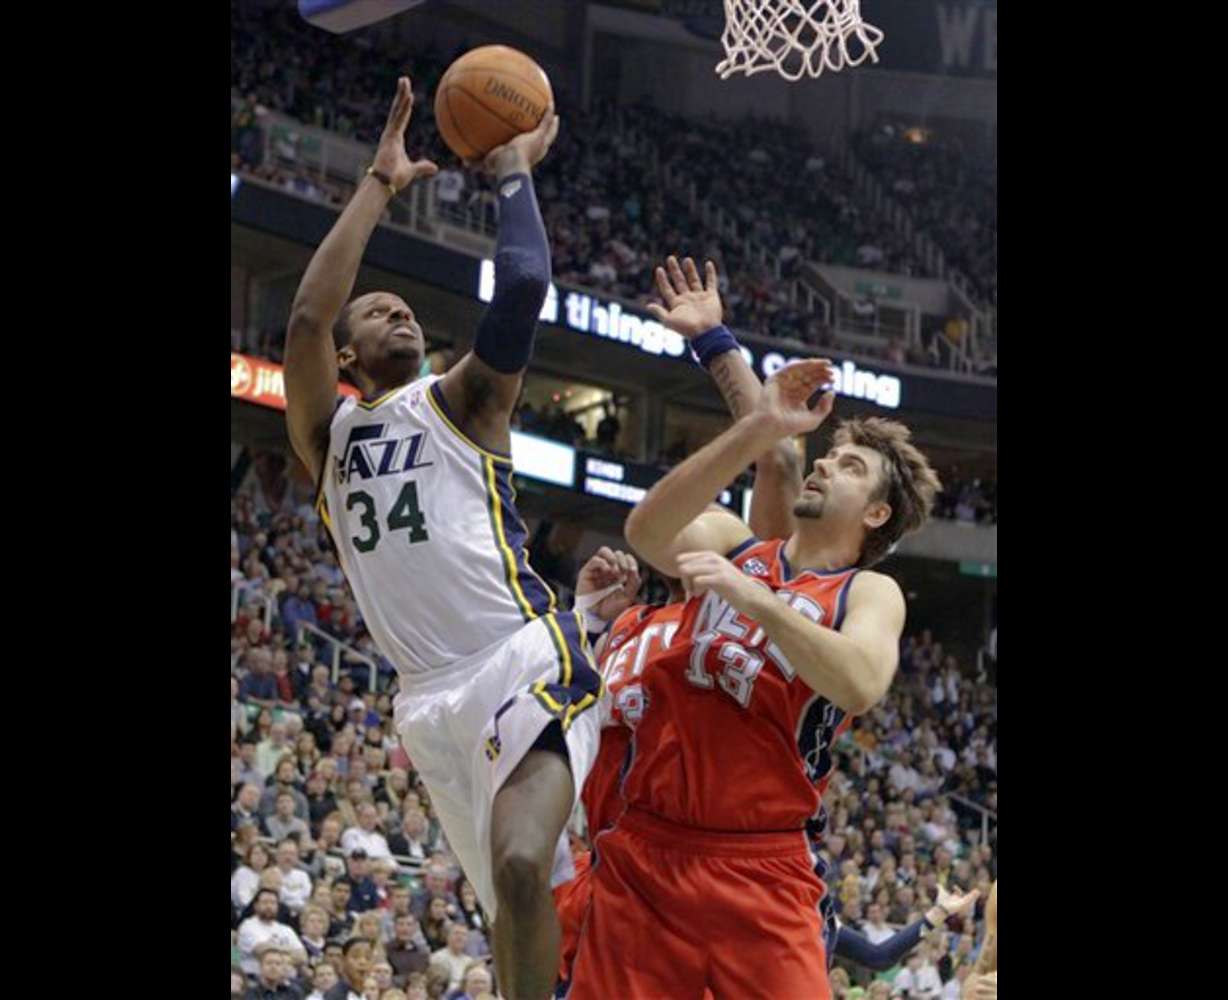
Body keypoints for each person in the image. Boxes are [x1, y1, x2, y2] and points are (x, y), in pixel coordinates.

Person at [568, 256, 941, 999]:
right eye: (830, 456)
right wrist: (724, 359)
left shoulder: (867, 590)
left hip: (762, 867)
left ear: (876, 514)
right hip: (646, 852)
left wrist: (755, 599)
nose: (830, 465)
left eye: (853, 466)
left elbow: (862, 680)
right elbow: (650, 530)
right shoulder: (734, 542)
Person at [284, 76, 583, 1000]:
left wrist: (512, 172)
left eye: (405, 309)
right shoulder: (328, 440)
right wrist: (378, 183)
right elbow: (303, 317)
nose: (398, 312)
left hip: (518, 651)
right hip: (428, 705)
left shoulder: (462, 399)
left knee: (527, 868)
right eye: (376, 312)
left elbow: (525, 283)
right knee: (525, 912)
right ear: (345, 356)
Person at [238, 889, 309, 976]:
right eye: (265, 902)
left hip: (288, 981)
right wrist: (289, 951)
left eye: (273, 903)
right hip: (256, 978)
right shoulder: (248, 926)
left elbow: (303, 957)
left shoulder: (286, 929)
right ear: (256, 906)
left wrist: (274, 949)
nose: (269, 906)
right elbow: (262, 951)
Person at [386, 913, 432, 981]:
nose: (405, 929)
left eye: (409, 924)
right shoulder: (386, 950)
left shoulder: (422, 953)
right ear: (394, 927)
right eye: (401, 924)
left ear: (415, 928)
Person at [430, 924, 472, 994]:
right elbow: (439, 985)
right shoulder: (438, 957)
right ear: (447, 937)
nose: (460, 937)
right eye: (456, 933)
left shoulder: (469, 961)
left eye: (464, 934)